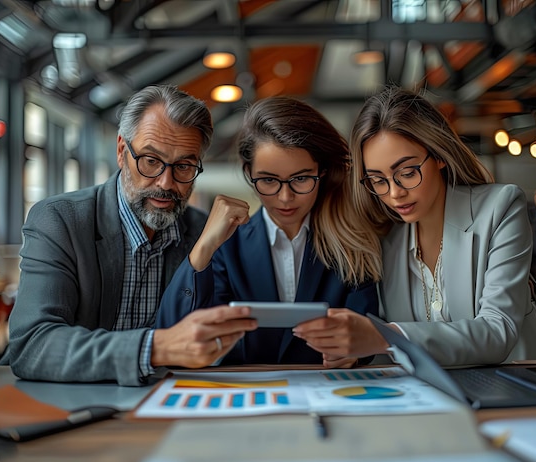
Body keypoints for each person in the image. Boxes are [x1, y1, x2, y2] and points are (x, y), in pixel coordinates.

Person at [3, 84, 257, 386]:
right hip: (64, 404)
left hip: (162, 404)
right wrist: (155, 348)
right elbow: (33, 345)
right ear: (122, 152)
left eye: (184, 166)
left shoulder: (206, 233)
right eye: (150, 160)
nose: (165, 182)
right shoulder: (61, 220)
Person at [294, 86, 536, 366]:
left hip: (529, 384)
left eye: (407, 173)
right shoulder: (387, 240)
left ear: (439, 156)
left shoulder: (500, 207)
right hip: (449, 393)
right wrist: (355, 352)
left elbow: (498, 332)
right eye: (378, 180)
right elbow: (405, 349)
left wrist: (385, 337)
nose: (395, 193)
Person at [156, 96, 380, 368]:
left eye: (300, 178)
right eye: (269, 180)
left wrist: (354, 350)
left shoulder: (352, 240)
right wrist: (204, 245)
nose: (285, 197)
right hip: (248, 397)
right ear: (249, 173)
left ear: (321, 171)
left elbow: (367, 331)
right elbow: (173, 336)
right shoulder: (227, 245)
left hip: (329, 392)